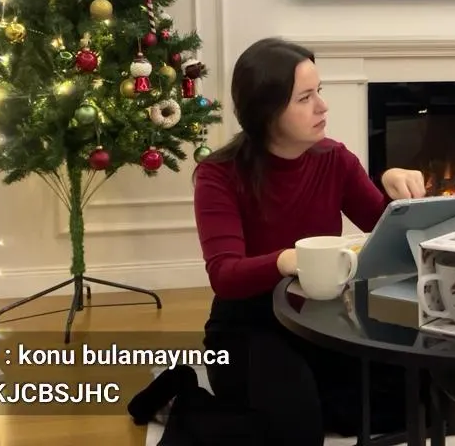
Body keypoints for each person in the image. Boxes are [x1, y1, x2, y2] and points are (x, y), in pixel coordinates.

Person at [130, 37, 429, 445]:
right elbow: (225, 275)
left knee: (419, 395)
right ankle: (182, 397)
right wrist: (286, 260)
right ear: (267, 110)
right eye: (305, 98)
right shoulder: (219, 175)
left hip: (320, 322)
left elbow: (388, 237)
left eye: (318, 91)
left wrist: (393, 187)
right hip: (248, 328)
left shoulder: (335, 159)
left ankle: (306, 402)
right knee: (297, 434)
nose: (322, 106)